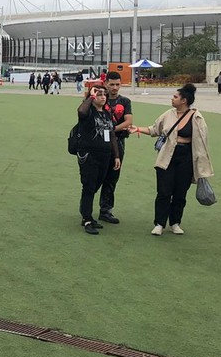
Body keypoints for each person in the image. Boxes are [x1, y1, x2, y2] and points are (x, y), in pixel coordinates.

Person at [129, 83, 213, 236]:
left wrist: (201, 164)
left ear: (184, 100)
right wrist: (138, 129)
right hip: (167, 155)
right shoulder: (168, 114)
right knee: (164, 191)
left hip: (186, 157)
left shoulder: (197, 117)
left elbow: (202, 141)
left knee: (180, 193)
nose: (172, 99)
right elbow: (155, 129)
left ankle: (175, 222)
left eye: (175, 97)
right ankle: (159, 223)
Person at [74, 85, 121, 235]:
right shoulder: (88, 111)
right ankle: (87, 219)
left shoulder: (106, 114)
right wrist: (91, 96)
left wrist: (116, 155)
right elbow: (81, 112)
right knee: (88, 186)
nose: (103, 97)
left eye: (104, 94)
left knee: (96, 186)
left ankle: (86, 214)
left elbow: (112, 135)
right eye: (99, 94)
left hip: (105, 155)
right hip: (89, 155)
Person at [100, 71, 133, 224]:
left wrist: (112, 129)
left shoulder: (125, 101)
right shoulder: (100, 99)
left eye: (117, 84)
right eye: (111, 84)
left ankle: (106, 210)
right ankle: (86, 210)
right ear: (106, 83)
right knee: (95, 177)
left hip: (118, 143)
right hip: (99, 143)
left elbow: (128, 121)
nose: (114, 87)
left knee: (112, 177)